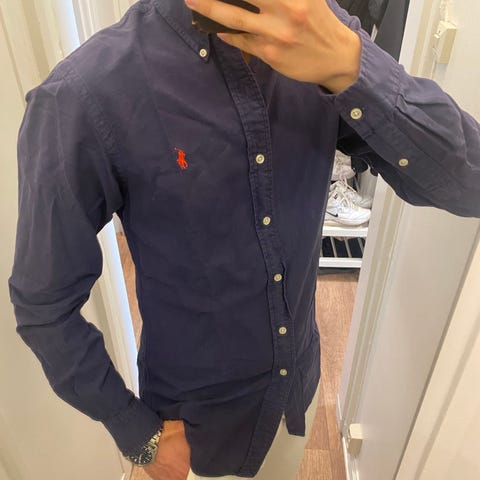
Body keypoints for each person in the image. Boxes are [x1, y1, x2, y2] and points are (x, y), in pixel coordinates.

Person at [7, 0, 480, 479]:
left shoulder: (324, 33)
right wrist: (137, 434)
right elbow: (44, 303)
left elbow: (469, 183)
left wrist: (351, 62)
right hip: (196, 432)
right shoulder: (85, 94)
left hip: (297, 394)